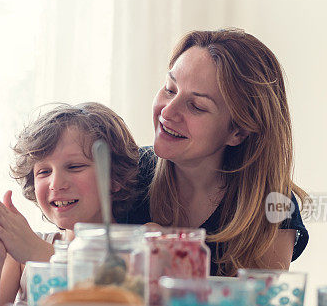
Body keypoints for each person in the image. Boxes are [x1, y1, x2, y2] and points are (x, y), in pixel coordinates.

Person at [122, 28, 309, 276]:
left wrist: (176, 263)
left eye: (197, 106)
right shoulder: (125, 174)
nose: (168, 112)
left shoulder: (272, 205)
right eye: (170, 89)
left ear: (238, 132)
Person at [0, 102, 139, 306]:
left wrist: (36, 252)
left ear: (114, 178)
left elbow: (116, 299)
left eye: (74, 167)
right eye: (44, 172)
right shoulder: (20, 255)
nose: (56, 183)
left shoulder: (142, 245)